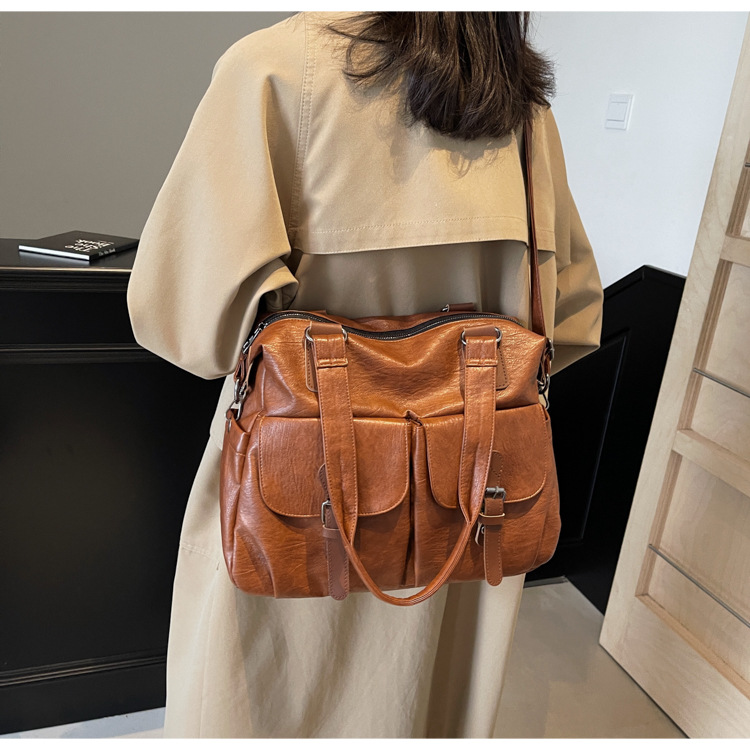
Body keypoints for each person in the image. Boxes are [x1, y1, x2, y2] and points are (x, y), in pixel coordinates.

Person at [126, 11, 603, 738]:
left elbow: (186, 325)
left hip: (298, 501)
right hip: (469, 507)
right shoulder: (518, 104)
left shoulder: (273, 69)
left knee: (265, 703)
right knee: (426, 703)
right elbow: (569, 320)